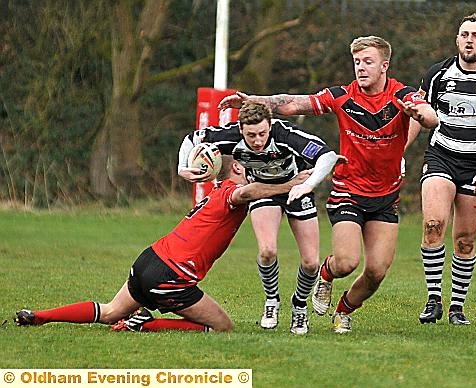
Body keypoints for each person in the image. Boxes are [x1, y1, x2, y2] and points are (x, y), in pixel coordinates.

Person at [218, 36, 439, 333]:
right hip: (348, 191)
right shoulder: (341, 96)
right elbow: (293, 104)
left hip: (386, 196)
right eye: (357, 62)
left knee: (376, 272)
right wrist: (253, 101)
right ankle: (326, 274)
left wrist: (421, 115)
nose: (361, 68)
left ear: (385, 65)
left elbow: (429, 117)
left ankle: (344, 309)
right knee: (346, 262)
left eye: (368, 62)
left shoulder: (402, 95)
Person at [15, 156, 311, 333]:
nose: (253, 174)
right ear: (235, 169)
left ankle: (40, 316)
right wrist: (291, 183)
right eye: (249, 168)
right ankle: (144, 324)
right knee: (223, 327)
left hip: (149, 259)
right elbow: (250, 193)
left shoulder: (215, 192)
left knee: (109, 313)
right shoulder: (230, 193)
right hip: (171, 276)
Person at [178, 101, 345, 335]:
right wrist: (181, 168)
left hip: (297, 189)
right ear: (241, 129)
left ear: (270, 126)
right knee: (267, 251)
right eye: (251, 135)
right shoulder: (229, 135)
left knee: (311, 263)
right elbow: (192, 138)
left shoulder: (285, 134)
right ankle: (271, 301)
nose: (257, 141)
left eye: (262, 134)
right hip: (263, 190)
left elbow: (327, 156)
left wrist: (307, 185)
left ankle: (299, 307)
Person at [410, 14, 476, 325]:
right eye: (464, 34)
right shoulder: (437, 74)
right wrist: (397, 154)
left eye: (475, 35)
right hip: (441, 156)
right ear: (457, 39)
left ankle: (457, 307)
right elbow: (417, 115)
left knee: (466, 239)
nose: (469, 40)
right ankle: (433, 300)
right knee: (432, 224)